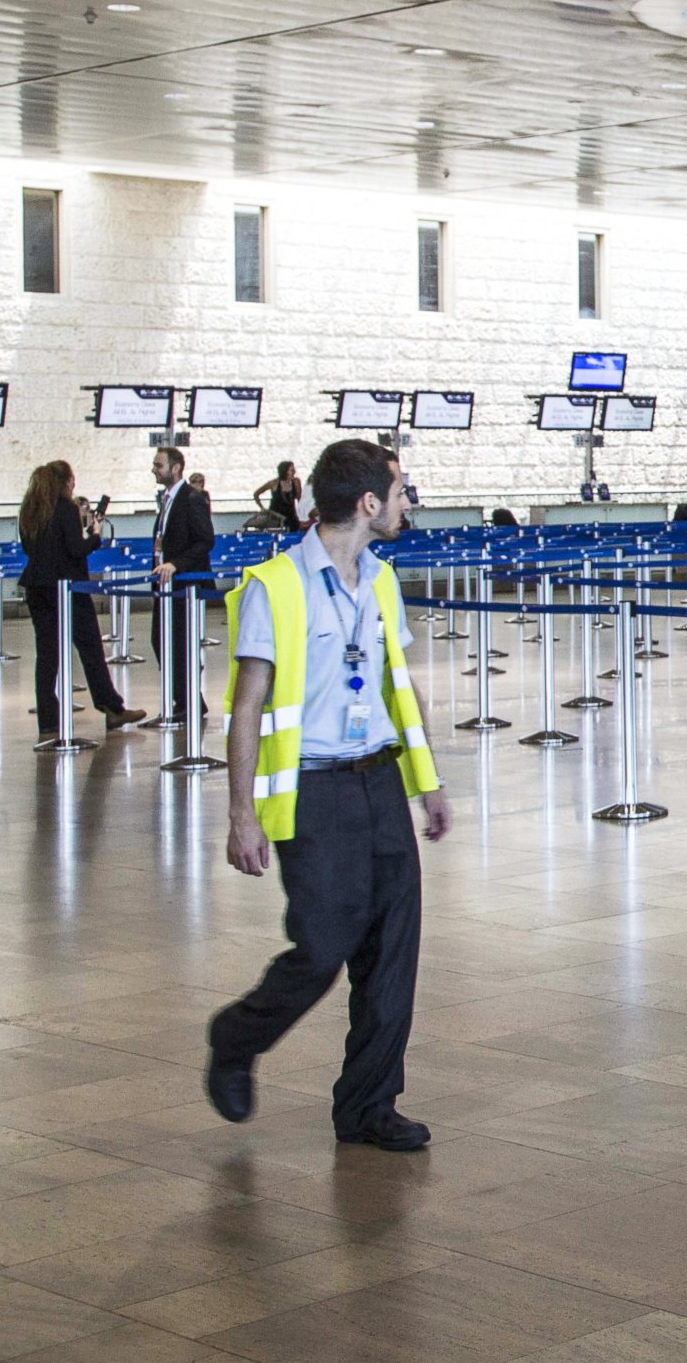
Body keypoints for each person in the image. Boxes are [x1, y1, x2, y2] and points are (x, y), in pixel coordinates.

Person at [206, 441, 449, 1150]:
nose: (408, 503)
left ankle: (369, 1106)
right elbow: (246, 704)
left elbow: (397, 686)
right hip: (314, 791)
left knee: (391, 949)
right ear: (368, 502)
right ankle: (236, 1035)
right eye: (401, 491)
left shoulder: (381, 581)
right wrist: (240, 812)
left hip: (379, 779)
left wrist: (426, 780)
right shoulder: (274, 586)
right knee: (320, 945)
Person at [18, 462, 144, 739]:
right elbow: (75, 550)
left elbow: (29, 548)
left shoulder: (30, 511)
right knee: (90, 648)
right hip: (68, 588)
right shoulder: (65, 509)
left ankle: (48, 720)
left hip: (37, 587)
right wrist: (95, 537)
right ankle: (111, 707)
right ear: (65, 482)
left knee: (47, 654)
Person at [150, 445, 216, 721]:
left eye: (159, 465)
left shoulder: (191, 498)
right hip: (166, 585)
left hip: (184, 584)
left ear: (176, 468)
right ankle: (187, 700)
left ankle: (187, 702)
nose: (154, 469)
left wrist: (176, 564)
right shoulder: (167, 499)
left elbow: (205, 539)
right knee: (161, 640)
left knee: (178, 642)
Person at [253, 461, 304, 531]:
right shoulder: (274, 483)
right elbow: (256, 494)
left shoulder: (296, 482)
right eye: (291, 470)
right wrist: (262, 508)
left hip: (291, 515)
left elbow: (299, 498)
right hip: (276, 516)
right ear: (284, 471)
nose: (294, 472)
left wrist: (302, 514)